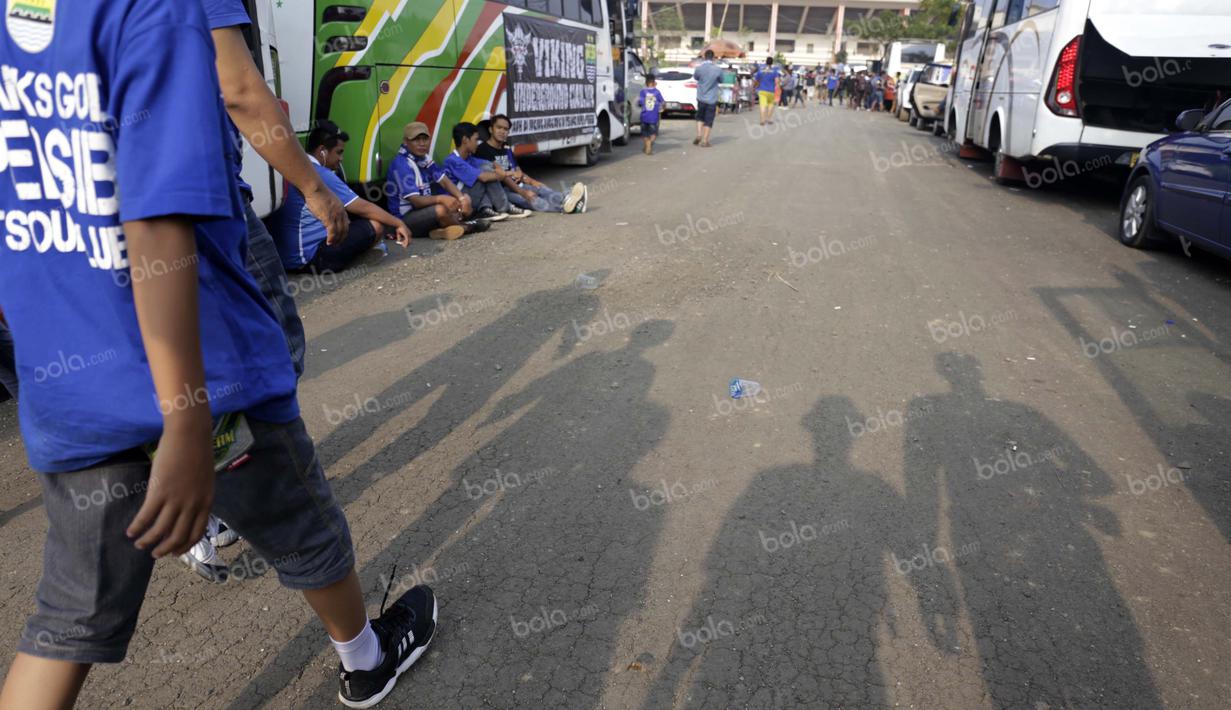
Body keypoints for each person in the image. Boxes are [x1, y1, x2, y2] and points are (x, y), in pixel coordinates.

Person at [0, 1, 436, 708]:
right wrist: (185, 420)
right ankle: (364, 658)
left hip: (68, 373)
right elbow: (160, 214)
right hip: (200, 367)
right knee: (296, 518)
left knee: (66, 617)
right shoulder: (152, 10)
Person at [269, 123, 412, 273]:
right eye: (339, 152)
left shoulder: (295, 167)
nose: (341, 158)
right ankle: (355, 259)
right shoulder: (319, 173)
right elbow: (363, 207)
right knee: (376, 226)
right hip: (311, 259)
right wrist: (398, 223)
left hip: (287, 259)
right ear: (322, 151)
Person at [385, 122, 483, 240]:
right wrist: (441, 199)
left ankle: (440, 230)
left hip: (422, 212)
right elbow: (416, 201)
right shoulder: (401, 164)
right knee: (441, 209)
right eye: (416, 140)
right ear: (406, 141)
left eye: (425, 139)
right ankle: (466, 227)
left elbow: (443, 180)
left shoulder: (424, 158)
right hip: (404, 218)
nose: (422, 144)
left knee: (463, 199)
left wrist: (461, 199)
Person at [476, 115, 587, 213]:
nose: (502, 131)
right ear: (491, 129)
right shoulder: (483, 150)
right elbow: (500, 174)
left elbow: (517, 170)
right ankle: (566, 207)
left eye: (506, 129)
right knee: (531, 199)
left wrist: (533, 182)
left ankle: (567, 199)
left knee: (541, 189)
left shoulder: (506, 146)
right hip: (501, 191)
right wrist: (523, 191)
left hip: (517, 184)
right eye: (499, 127)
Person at [444, 123, 530, 221]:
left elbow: (489, 164)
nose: (478, 143)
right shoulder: (452, 160)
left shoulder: (469, 158)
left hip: (470, 196)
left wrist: (497, 167)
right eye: (476, 140)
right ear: (465, 140)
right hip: (460, 202)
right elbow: (483, 177)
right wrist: (505, 174)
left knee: (486, 169)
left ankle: (485, 209)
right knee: (485, 175)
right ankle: (505, 207)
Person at [693, 49, 722, 148]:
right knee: (708, 120)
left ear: (705, 57)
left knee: (700, 117)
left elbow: (696, 78)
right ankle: (705, 141)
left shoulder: (699, 68)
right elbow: (721, 80)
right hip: (712, 98)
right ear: (713, 58)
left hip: (701, 97)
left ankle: (699, 135)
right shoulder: (717, 69)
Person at [639, 75, 665, 155]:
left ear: (646, 83)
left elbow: (640, 102)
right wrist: (663, 108)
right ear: (654, 82)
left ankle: (647, 145)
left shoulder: (642, 92)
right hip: (654, 117)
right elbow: (663, 102)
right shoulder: (657, 92)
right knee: (653, 134)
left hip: (644, 116)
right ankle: (649, 145)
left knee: (644, 134)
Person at [754, 57, 782, 126]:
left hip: (762, 91)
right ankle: (769, 119)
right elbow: (777, 82)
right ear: (772, 63)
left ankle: (762, 120)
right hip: (771, 91)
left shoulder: (760, 71)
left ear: (766, 62)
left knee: (762, 105)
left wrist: (754, 87)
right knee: (770, 105)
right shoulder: (774, 71)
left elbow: (756, 81)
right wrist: (777, 88)